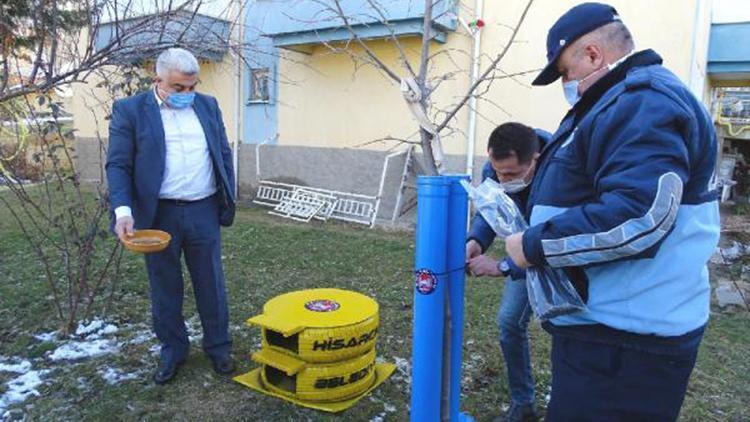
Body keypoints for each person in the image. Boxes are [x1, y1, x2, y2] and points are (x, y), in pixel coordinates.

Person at [503, 3, 720, 420]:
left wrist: (533, 245)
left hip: (625, 343)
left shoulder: (640, 102)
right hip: (612, 334)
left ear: (592, 55)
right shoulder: (620, 101)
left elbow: (640, 214)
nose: (567, 85)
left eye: (565, 72)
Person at [106, 47, 236, 384]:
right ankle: (173, 350)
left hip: (203, 209)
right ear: (158, 80)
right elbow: (118, 164)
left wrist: (228, 193)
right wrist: (123, 210)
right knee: (165, 287)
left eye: (193, 87)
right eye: (179, 88)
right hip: (159, 214)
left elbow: (222, 150)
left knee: (211, 282)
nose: (187, 95)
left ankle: (219, 347)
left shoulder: (208, 106)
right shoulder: (130, 111)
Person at [466, 122, 549, 422]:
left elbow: (549, 242)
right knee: (510, 322)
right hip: (525, 250)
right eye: (496, 171)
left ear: (535, 159)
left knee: (567, 329)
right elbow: (491, 210)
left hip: (559, 256)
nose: (501, 179)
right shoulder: (497, 168)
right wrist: (475, 240)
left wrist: (502, 266)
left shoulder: (558, 172)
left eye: (511, 174)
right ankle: (524, 404)